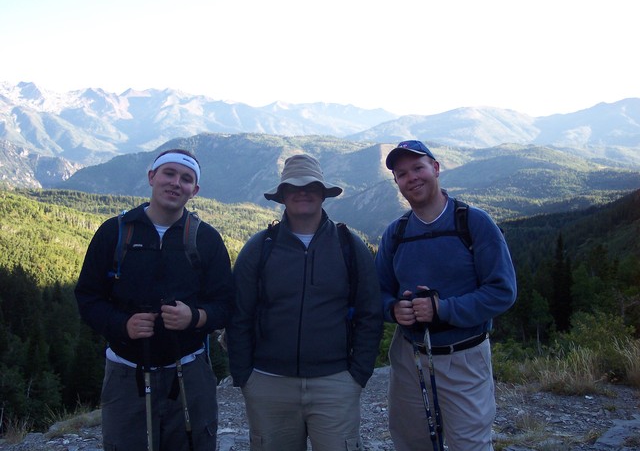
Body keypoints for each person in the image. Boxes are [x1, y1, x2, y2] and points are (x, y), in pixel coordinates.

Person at [75, 148, 234, 451]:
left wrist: (195, 317)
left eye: (186, 179)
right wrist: (123, 325)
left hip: (188, 370)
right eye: (169, 173)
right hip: (126, 371)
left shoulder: (206, 239)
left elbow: (226, 305)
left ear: (194, 190)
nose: (176, 183)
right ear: (152, 177)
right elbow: (88, 296)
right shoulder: (114, 232)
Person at [227, 154, 383, 451]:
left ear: (323, 193)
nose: (303, 192)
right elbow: (239, 316)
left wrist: (357, 376)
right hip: (268, 383)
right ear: (283, 195)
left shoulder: (349, 246)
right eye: (294, 187)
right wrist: (245, 377)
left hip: (335, 382)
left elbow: (369, 314)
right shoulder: (260, 248)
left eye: (311, 186)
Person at [375, 140, 517, 451]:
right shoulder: (396, 233)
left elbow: (502, 291)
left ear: (436, 168)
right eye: (402, 173)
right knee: (411, 443)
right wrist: (393, 310)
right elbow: (379, 291)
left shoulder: (473, 223)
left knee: (470, 445)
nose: (411, 177)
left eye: (418, 168)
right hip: (409, 358)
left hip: (464, 356)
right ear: (397, 182)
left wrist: (443, 309)